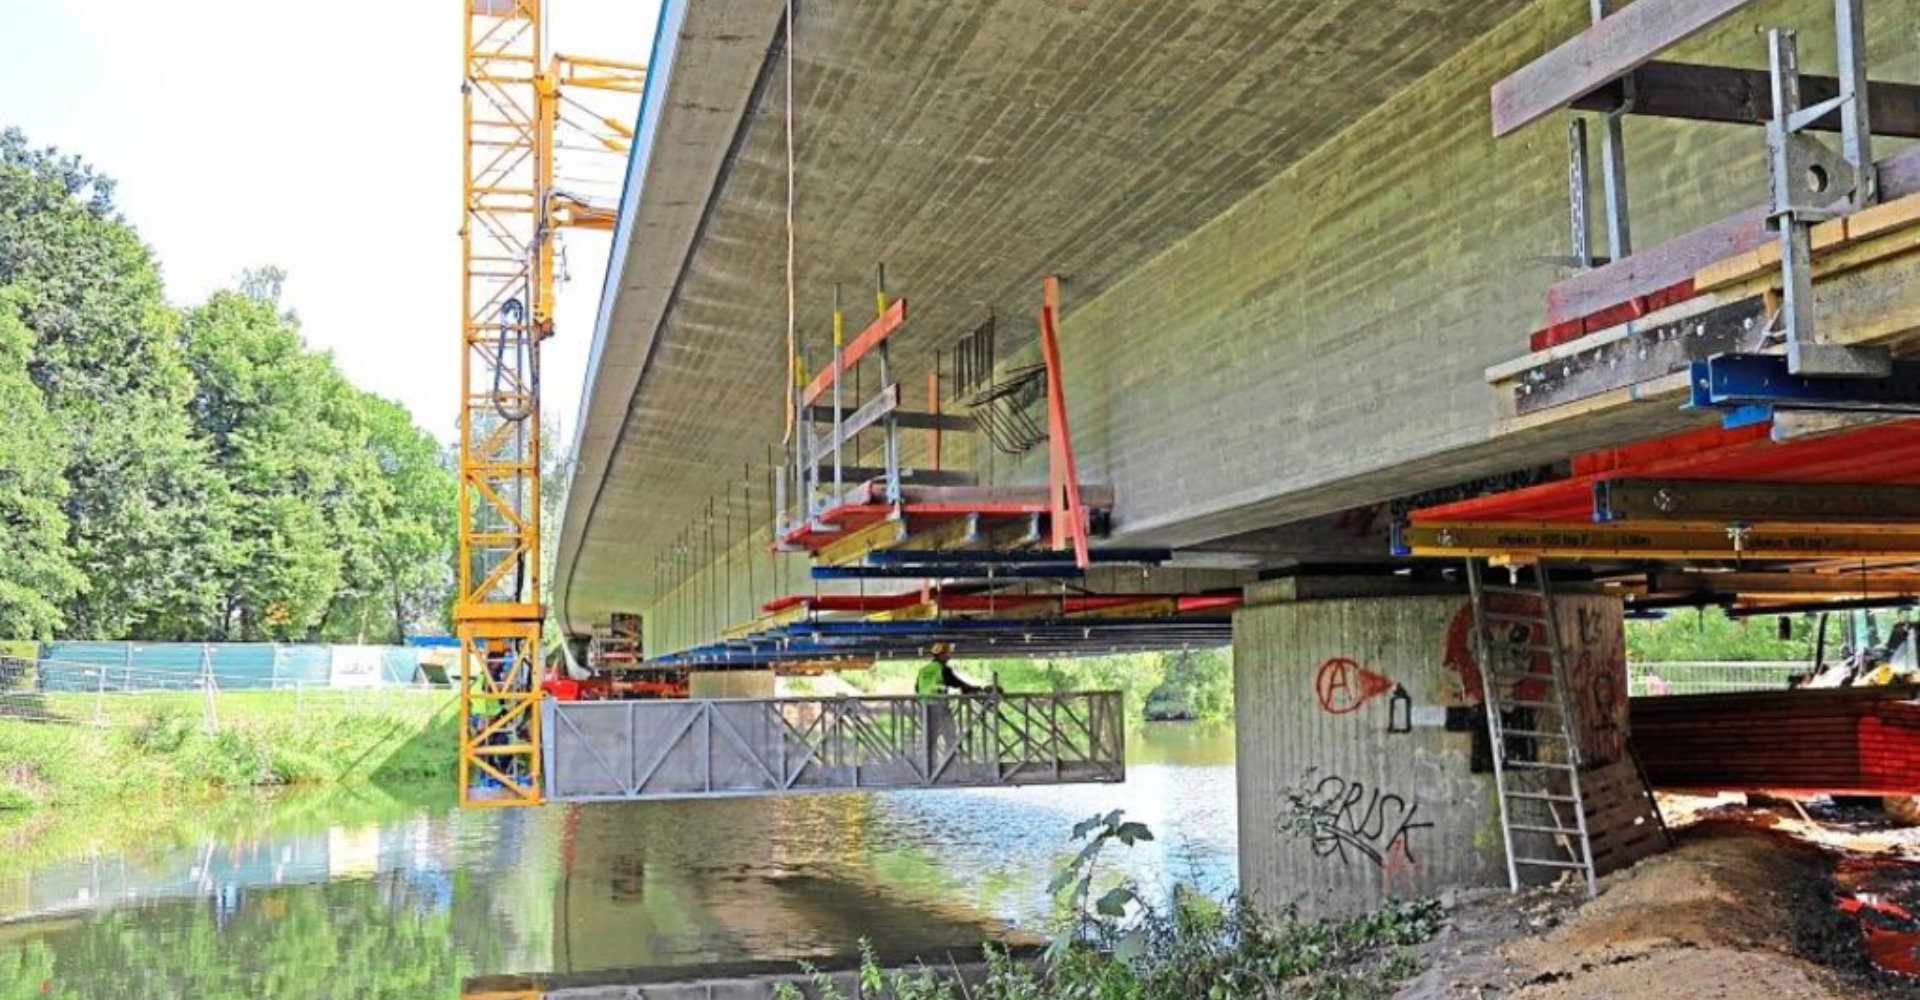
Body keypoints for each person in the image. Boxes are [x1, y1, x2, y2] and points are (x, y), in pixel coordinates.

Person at [917, 644, 989, 762]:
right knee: (950, 735)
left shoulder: (924, 670)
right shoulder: (943, 669)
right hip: (939, 707)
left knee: (930, 739)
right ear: (942, 655)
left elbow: (917, 688)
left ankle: (928, 765)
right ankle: (950, 764)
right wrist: (975, 689)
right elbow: (957, 683)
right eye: (947, 654)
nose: (949, 656)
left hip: (924, 708)